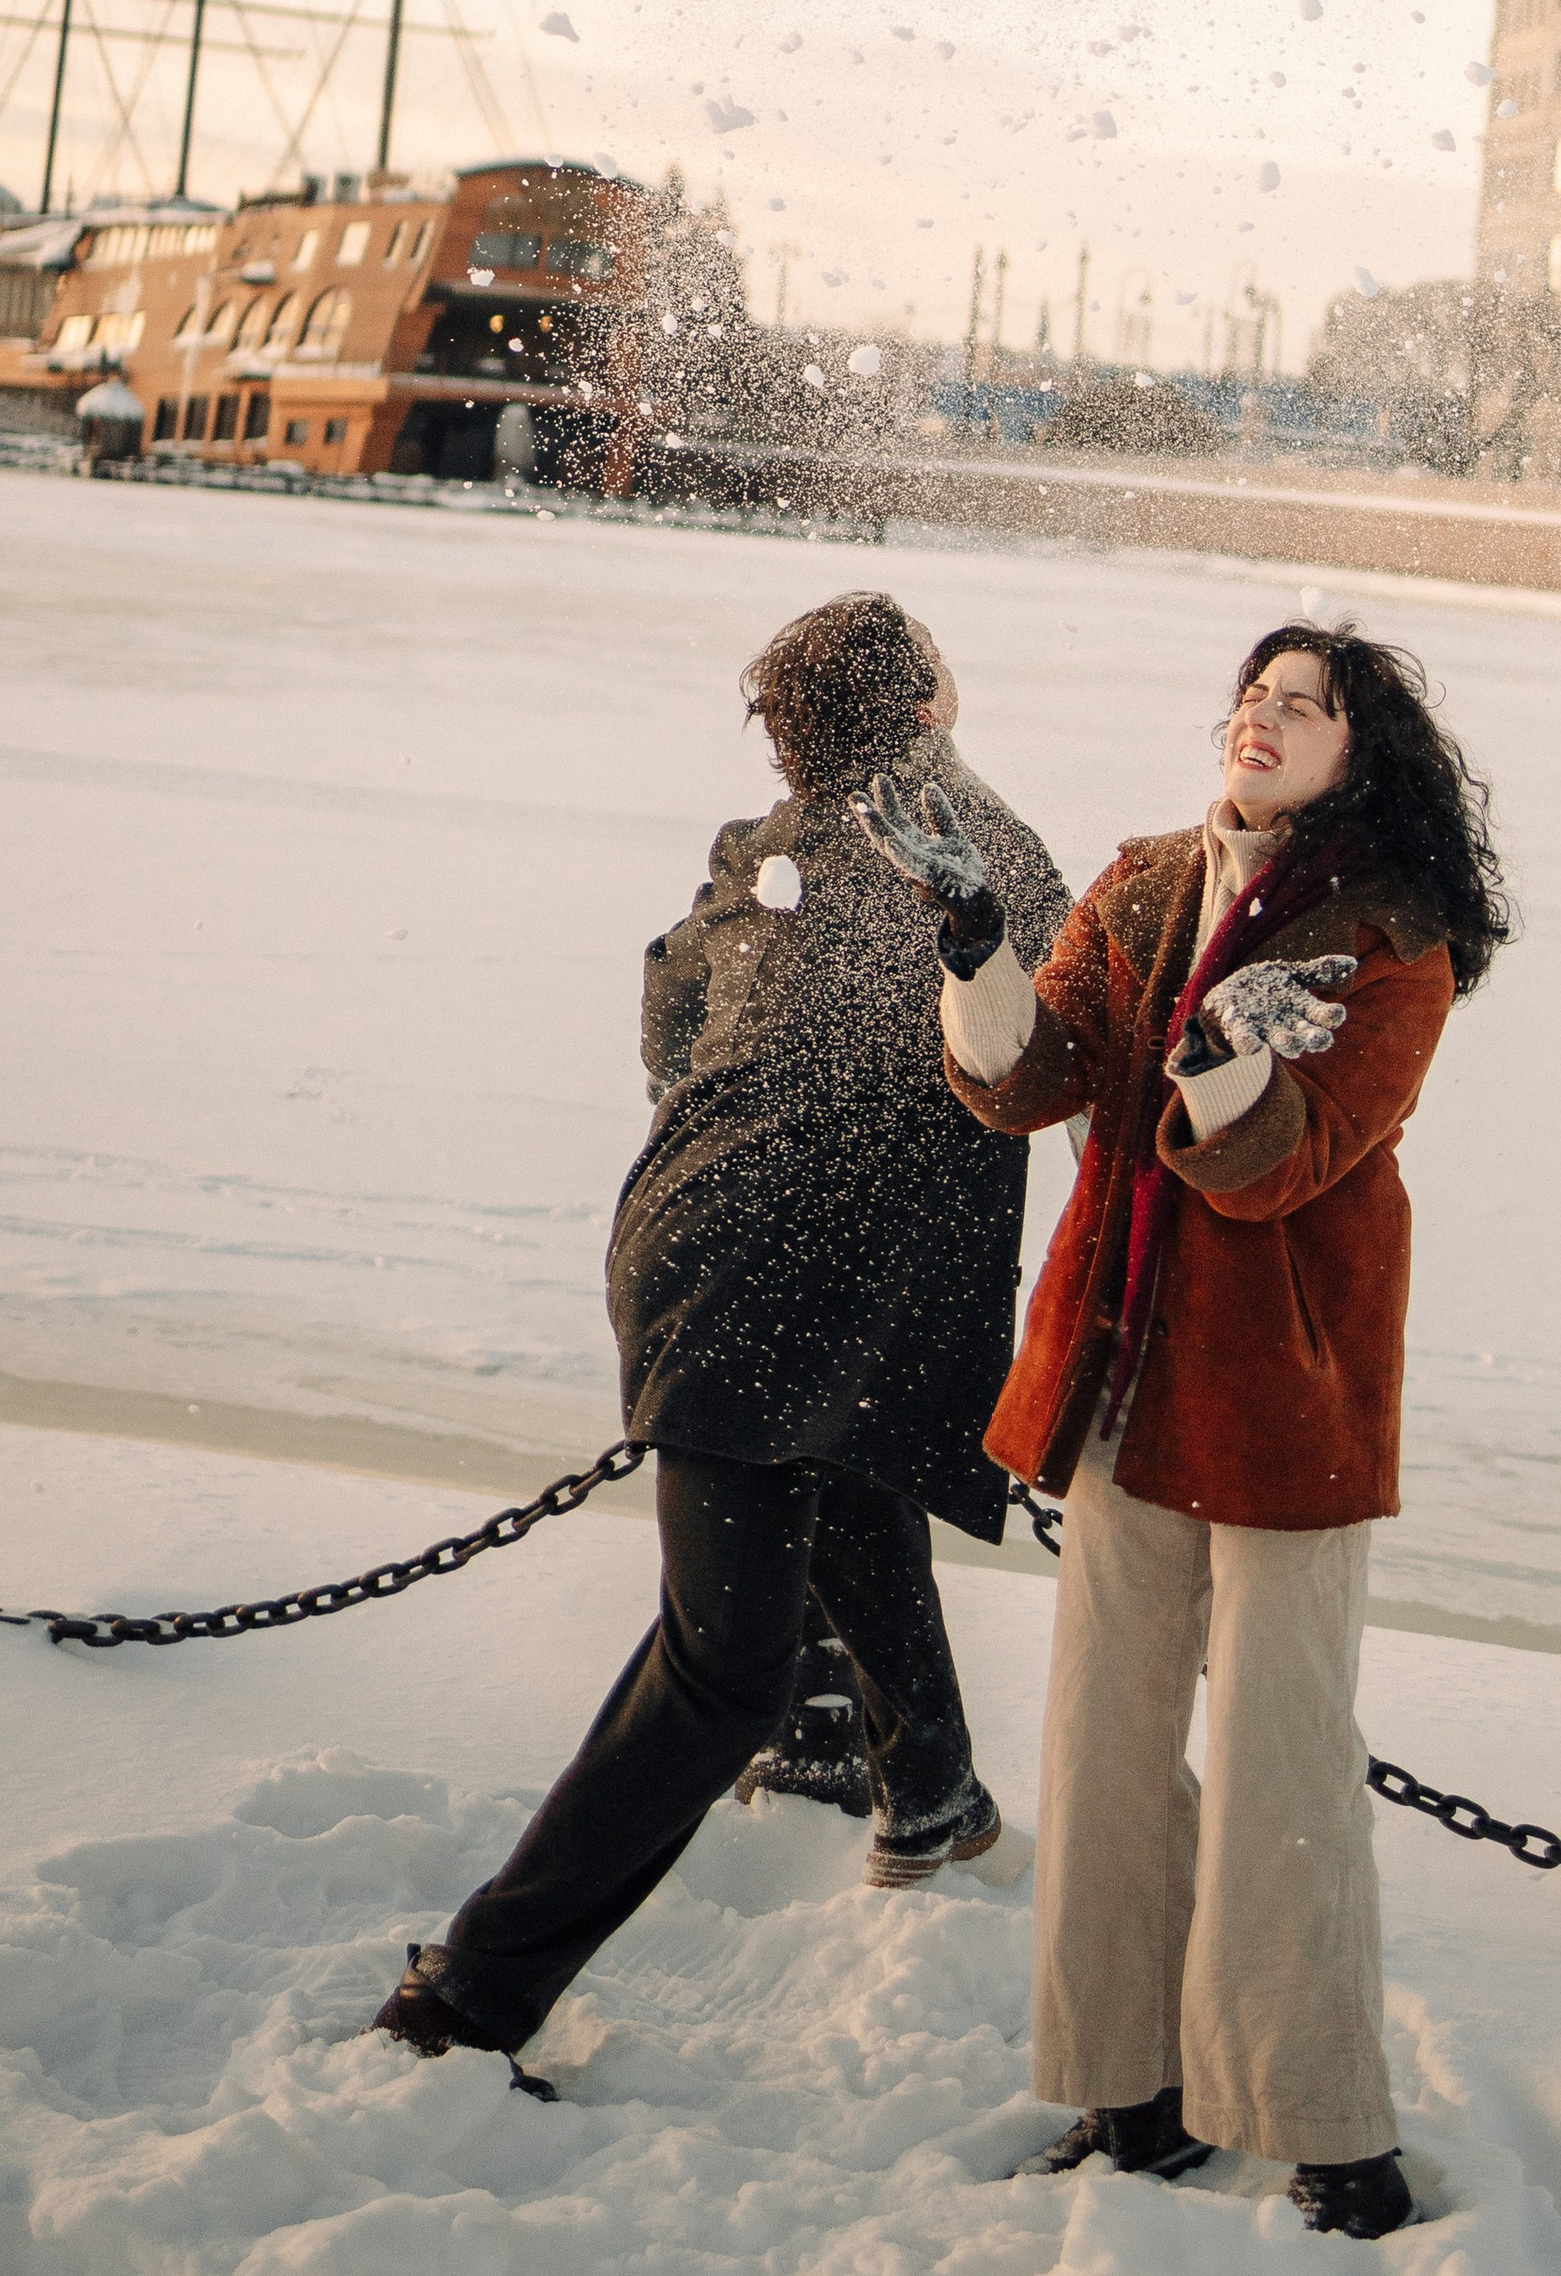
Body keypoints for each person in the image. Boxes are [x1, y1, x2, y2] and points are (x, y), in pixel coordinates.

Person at [858, 621, 1511, 2239]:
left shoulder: (1392, 937)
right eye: (1253, 693)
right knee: (1102, 1758)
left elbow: (1298, 1158)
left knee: (1286, 1775)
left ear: (1365, 754)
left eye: (1305, 704)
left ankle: (1327, 2129)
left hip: (1287, 1403)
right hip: (1122, 1385)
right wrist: (974, 943)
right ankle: (1126, 2092)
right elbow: (1030, 1081)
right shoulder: (1149, 877)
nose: (1263, 717)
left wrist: (1226, 1061)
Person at [371, 591, 1069, 2085]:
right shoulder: (977, 854)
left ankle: (930, 1786)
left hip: (695, 1246)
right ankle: (468, 1995)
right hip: (773, 1290)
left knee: (859, 1466)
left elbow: (671, 1014)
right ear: (930, 704)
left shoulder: (768, 853)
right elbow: (1062, 1017)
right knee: (723, 1674)